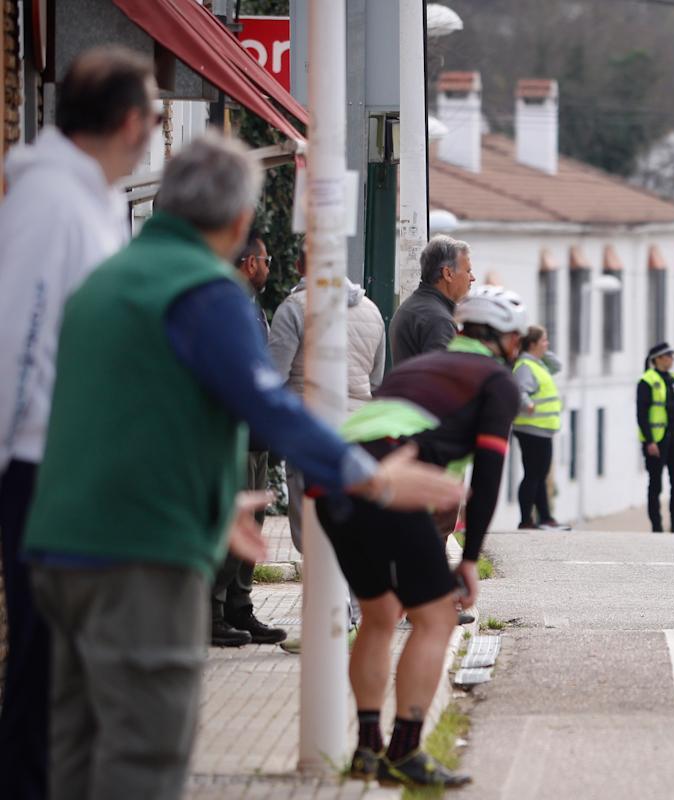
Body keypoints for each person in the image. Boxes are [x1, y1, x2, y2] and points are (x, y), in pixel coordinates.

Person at [20, 132, 466, 800]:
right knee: (141, 754)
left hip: (52, 544)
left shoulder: (101, 280)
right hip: (142, 550)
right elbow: (269, 406)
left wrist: (210, 492)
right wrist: (370, 475)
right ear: (235, 224)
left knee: (71, 746)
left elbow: (105, 412)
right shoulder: (208, 291)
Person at [0, 45, 158, 800]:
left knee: (65, 669)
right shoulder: (51, 202)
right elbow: (15, 335)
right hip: (38, 467)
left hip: (78, 468)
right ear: (129, 121)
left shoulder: (92, 199)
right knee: (42, 666)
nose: (159, 130)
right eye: (157, 114)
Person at [314, 285, 527, 788]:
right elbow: (490, 475)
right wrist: (470, 559)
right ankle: (405, 753)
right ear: (507, 341)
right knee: (435, 618)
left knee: (381, 613)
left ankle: (368, 750)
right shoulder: (498, 382)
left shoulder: (416, 368)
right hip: (393, 481)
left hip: (334, 481)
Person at [268, 248, 386, 553]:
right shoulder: (372, 311)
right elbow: (376, 381)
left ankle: (324, 601)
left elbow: (273, 377)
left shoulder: (293, 308)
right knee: (355, 533)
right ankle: (354, 600)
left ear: (298, 265)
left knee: (313, 535)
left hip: (309, 436)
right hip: (360, 437)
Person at [209, 230, 288, 647]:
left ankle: (240, 606)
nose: (269, 267)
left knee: (253, 526)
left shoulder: (252, 306)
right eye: (267, 260)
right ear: (250, 263)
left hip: (257, 438)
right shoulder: (225, 301)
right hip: (235, 435)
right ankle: (213, 612)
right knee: (233, 523)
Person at [388, 234, 475, 363]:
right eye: (468, 271)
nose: (472, 278)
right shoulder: (438, 320)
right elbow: (442, 377)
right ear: (448, 273)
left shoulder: (412, 307)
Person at [638, 342, 674, 533]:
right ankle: (656, 526)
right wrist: (649, 441)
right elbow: (642, 414)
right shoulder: (647, 381)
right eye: (668, 355)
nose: (672, 359)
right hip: (656, 441)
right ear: (658, 359)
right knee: (655, 485)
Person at [512, 324, 566, 530]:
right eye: (544, 340)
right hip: (531, 427)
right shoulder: (526, 365)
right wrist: (528, 404)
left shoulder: (538, 363)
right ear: (532, 343)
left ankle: (545, 517)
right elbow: (519, 390)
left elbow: (557, 366)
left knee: (539, 474)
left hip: (542, 429)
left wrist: (541, 351)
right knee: (533, 474)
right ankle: (526, 520)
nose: (547, 344)